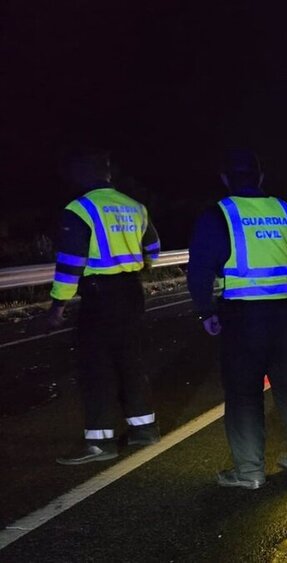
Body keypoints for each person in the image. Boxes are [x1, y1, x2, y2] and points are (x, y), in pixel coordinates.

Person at [187, 149, 287, 489]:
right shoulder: (285, 211)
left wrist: (205, 311)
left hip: (243, 316)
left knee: (244, 393)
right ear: (260, 177)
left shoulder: (218, 215)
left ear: (225, 178)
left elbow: (200, 269)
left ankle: (249, 472)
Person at [47, 150, 161, 465]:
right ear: (108, 175)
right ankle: (144, 429)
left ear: (81, 175)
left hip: (100, 297)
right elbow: (153, 246)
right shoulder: (134, 206)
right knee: (131, 360)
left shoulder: (79, 210)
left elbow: (71, 263)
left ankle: (100, 442)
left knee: (97, 368)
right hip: (131, 292)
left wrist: (58, 305)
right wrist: (139, 266)